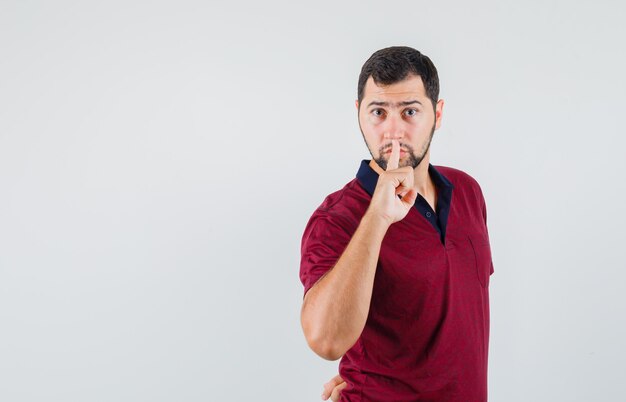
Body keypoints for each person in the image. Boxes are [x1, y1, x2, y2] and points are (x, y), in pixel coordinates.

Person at [299, 46, 495, 401]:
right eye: (378, 112)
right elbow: (326, 341)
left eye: (410, 112)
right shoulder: (337, 219)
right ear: (359, 114)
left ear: (437, 113)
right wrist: (378, 216)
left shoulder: (467, 192)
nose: (393, 131)